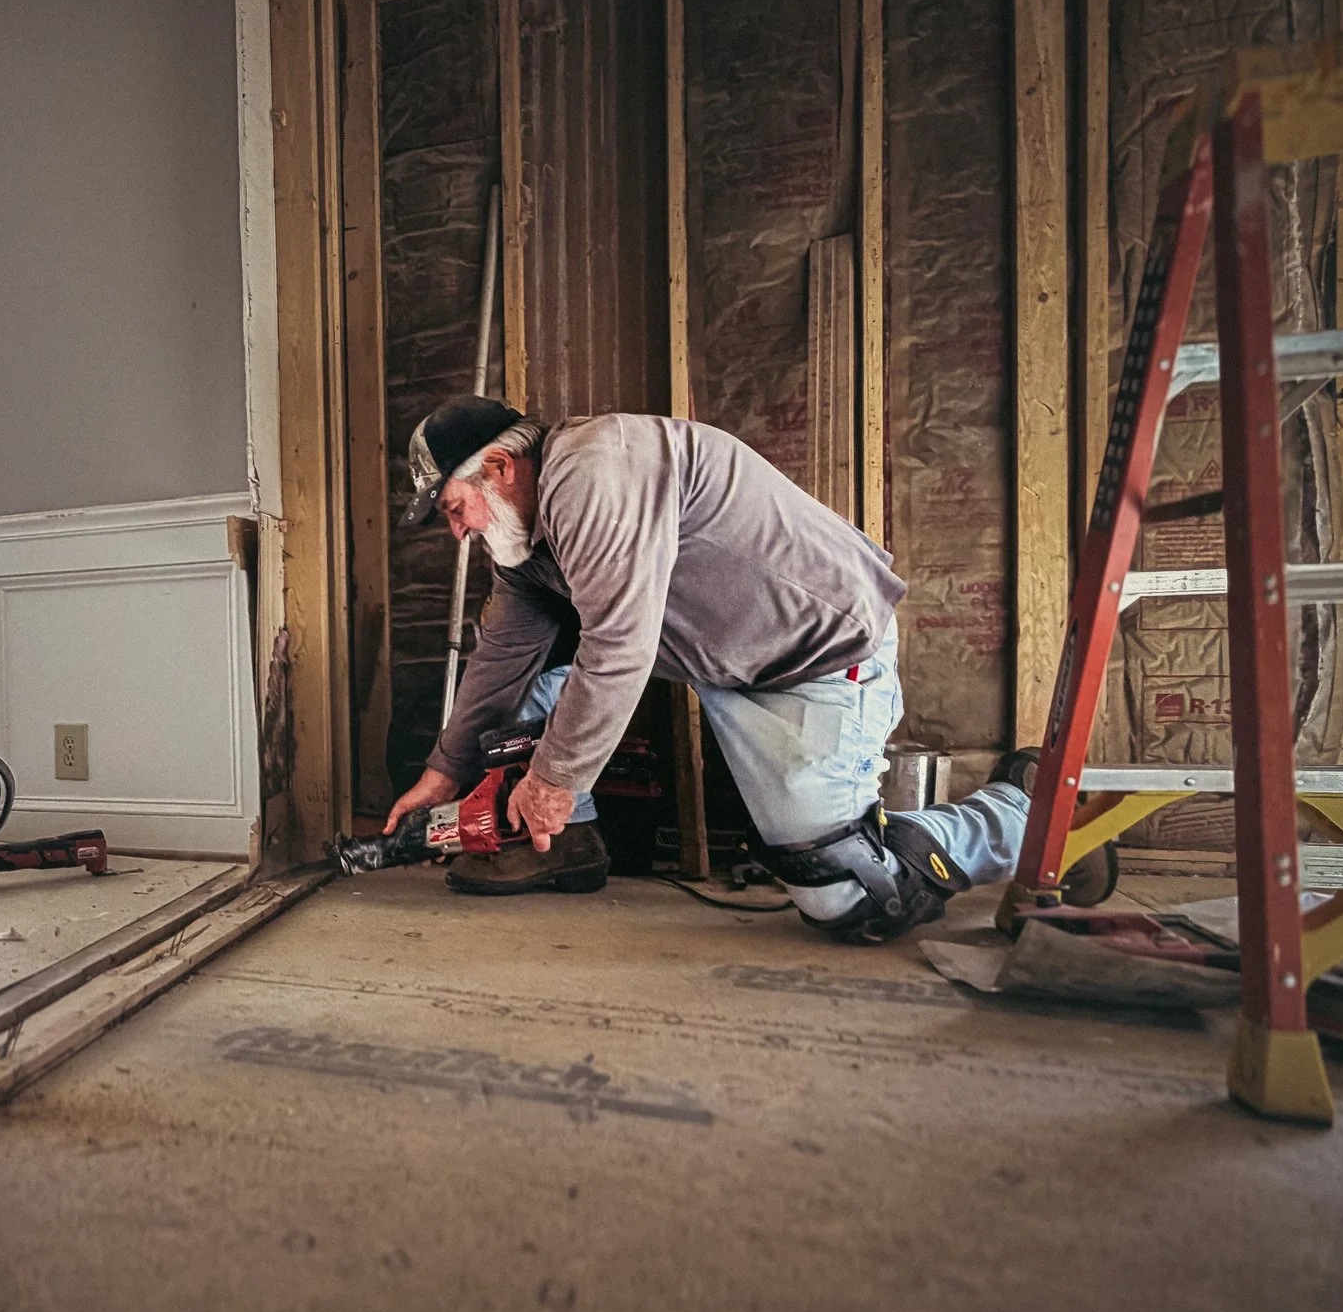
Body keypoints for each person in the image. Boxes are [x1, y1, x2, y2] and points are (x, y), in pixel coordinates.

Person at [384, 395, 1035, 942]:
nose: (458, 532)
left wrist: (552, 779)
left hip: (817, 655)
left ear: (498, 466)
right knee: (531, 658)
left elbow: (618, 646)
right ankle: (570, 845)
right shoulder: (528, 546)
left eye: (453, 509)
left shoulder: (594, 472)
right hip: (728, 670)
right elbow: (502, 656)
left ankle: (1019, 808)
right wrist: (445, 771)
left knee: (847, 888)